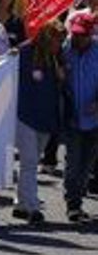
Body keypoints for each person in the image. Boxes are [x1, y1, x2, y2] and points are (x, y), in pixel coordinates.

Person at [14, 21, 64, 224]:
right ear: (45, 37)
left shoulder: (57, 56)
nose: (59, 44)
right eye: (56, 39)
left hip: (46, 118)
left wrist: (62, 74)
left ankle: (21, 203)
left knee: (30, 163)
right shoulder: (24, 51)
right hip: (24, 115)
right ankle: (32, 207)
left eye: (61, 40)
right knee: (30, 161)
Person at [61, 11, 98, 222]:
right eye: (75, 34)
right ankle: (72, 204)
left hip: (95, 120)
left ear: (91, 33)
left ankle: (78, 197)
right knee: (73, 162)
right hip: (72, 117)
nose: (78, 38)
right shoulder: (65, 49)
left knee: (87, 163)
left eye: (82, 35)